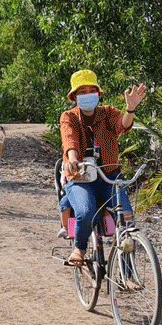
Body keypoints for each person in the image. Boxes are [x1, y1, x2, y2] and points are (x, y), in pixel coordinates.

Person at [59, 69, 146, 266]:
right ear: (74, 97)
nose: (87, 94)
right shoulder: (69, 117)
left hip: (109, 176)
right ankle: (79, 249)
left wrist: (130, 109)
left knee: (126, 220)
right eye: (82, 91)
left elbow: (123, 125)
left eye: (91, 90)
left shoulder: (108, 113)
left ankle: (128, 274)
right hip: (80, 177)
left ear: (98, 93)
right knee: (85, 211)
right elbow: (69, 139)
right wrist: (72, 158)